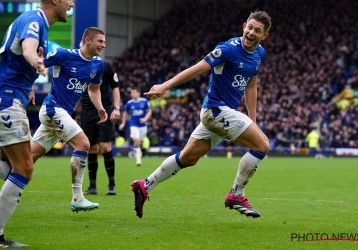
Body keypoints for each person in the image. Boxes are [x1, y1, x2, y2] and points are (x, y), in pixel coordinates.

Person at [130, 11, 271, 219]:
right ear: (244, 26)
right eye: (249, 27)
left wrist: (253, 121)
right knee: (263, 145)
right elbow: (197, 69)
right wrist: (165, 86)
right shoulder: (227, 49)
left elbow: (251, 87)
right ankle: (236, 194)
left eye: (257, 30)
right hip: (216, 110)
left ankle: (145, 185)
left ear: (264, 36)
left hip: (223, 113)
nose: (251, 32)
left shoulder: (260, 54)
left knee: (188, 158)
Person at [0, 0, 74, 247]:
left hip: (7, 98)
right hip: (5, 101)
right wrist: (35, 60)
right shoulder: (35, 21)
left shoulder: (39, 24)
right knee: (23, 169)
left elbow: (20, 52)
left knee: (17, 171)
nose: (71, 3)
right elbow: (27, 47)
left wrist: (31, 76)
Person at [0, 27, 108, 214]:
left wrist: (100, 108)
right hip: (52, 109)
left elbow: (94, 90)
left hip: (60, 115)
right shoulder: (64, 54)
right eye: (100, 41)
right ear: (88, 40)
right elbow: (35, 64)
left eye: (104, 41)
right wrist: (30, 86)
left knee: (22, 165)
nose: (103, 45)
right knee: (83, 144)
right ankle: (77, 198)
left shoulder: (98, 65)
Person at [75, 61, 121, 196]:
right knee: (91, 148)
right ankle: (92, 186)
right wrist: (74, 111)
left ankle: (112, 184)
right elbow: (78, 91)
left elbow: (115, 87)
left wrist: (116, 108)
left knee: (106, 147)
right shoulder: (80, 66)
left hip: (105, 109)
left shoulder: (105, 66)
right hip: (87, 112)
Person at [119, 88, 152, 166]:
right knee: (136, 141)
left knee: (141, 142)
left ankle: (138, 151)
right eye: (131, 93)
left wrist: (145, 119)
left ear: (138, 93)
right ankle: (138, 159)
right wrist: (123, 123)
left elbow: (149, 111)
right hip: (133, 124)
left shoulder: (144, 101)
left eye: (134, 92)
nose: (132, 94)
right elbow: (125, 113)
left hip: (143, 125)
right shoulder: (129, 103)